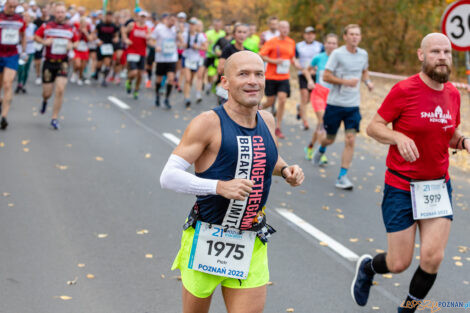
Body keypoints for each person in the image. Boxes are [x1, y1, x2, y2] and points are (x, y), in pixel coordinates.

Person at [160, 50, 304, 313]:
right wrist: (218, 187)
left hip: (251, 239)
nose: (253, 81)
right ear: (225, 83)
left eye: (258, 74)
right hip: (207, 236)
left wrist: (285, 170)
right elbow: (168, 176)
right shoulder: (208, 123)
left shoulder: (267, 119)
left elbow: (264, 158)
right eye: (243, 74)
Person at [352, 33, 467, 313]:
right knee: (399, 263)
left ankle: (407, 309)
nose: (442, 57)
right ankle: (368, 267)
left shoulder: (452, 93)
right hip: (402, 186)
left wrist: (463, 141)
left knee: (432, 257)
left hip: (437, 187)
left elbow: (447, 134)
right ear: (421, 55)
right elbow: (374, 126)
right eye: (436, 52)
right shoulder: (404, 90)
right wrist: (397, 137)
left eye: (447, 53)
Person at [312, 24, 373, 190]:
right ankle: (322, 147)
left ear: (360, 37)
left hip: (353, 106)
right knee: (330, 138)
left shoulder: (363, 54)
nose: (354, 37)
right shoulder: (338, 54)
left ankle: (342, 176)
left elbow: (364, 71)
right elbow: (326, 76)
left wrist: (367, 82)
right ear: (345, 36)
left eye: (357, 34)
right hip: (335, 104)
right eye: (351, 34)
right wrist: (346, 82)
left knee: (350, 140)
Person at [34, 2, 77, 130]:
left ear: (65, 13)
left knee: (60, 89)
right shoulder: (47, 26)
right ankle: (45, 101)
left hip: (63, 62)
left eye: (62, 12)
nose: (60, 14)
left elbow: (77, 41)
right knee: (47, 92)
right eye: (58, 12)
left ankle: (54, 118)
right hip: (49, 62)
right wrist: (44, 41)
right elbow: (36, 36)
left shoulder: (70, 28)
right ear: (54, 13)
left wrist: (72, 46)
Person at [259, 20, 300, 139]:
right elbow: (261, 55)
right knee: (270, 101)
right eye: (282, 27)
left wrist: (296, 64)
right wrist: (274, 61)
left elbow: (292, 57)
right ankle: (257, 109)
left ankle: (278, 126)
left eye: (287, 27)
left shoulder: (291, 42)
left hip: (284, 77)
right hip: (271, 76)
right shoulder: (272, 42)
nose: (285, 29)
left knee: (282, 100)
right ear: (278, 29)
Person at [304, 33, 338, 162]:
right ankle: (321, 151)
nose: (331, 45)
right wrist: (310, 81)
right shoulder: (319, 57)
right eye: (329, 42)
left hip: (332, 96)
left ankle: (310, 147)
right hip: (318, 93)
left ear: (337, 45)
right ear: (325, 44)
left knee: (321, 124)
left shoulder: (339, 60)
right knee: (323, 121)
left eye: (334, 43)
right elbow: (307, 69)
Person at [0, 0, 27, 130]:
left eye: (15, 7)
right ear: (5, 6)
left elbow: (23, 35)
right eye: (10, 6)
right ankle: (2, 100)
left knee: (7, 83)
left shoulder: (19, 19)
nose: (12, 9)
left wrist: (24, 51)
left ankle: (4, 117)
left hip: (12, 55)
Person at [150, 13, 182, 109]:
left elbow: (182, 41)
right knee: (159, 79)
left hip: (172, 58)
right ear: (167, 20)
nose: (173, 23)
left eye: (175, 21)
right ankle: (157, 96)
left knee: (171, 78)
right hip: (161, 58)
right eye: (171, 20)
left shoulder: (175, 30)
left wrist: (178, 31)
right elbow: (151, 40)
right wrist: (156, 47)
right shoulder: (159, 28)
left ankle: (167, 99)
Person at [295, 26, 323, 130]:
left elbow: (322, 58)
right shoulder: (299, 46)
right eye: (308, 33)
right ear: (304, 35)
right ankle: (304, 122)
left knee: (310, 98)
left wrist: (317, 69)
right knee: (304, 95)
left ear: (314, 35)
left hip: (315, 74)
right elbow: (295, 58)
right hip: (303, 73)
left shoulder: (320, 46)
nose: (310, 36)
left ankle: (300, 107)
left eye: (312, 34)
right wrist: (297, 65)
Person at [215, 23, 248, 105]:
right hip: (228, 88)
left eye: (244, 32)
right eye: (239, 32)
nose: (242, 35)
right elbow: (220, 69)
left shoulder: (247, 51)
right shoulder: (228, 49)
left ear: (247, 35)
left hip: (241, 88)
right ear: (234, 34)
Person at [122, 10, 150, 100]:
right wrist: (126, 39)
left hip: (142, 52)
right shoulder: (132, 25)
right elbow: (123, 31)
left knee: (140, 74)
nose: (142, 18)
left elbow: (150, 39)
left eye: (144, 17)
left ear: (146, 18)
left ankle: (136, 90)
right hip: (132, 51)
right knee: (134, 72)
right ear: (138, 17)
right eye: (141, 16)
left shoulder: (147, 28)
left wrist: (149, 39)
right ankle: (129, 81)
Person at [182, 17, 207, 107]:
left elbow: (205, 47)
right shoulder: (185, 34)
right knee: (188, 79)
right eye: (190, 24)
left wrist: (198, 47)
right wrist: (182, 45)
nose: (191, 26)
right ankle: (187, 98)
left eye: (193, 24)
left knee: (191, 80)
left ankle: (187, 93)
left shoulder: (200, 36)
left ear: (196, 26)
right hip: (186, 58)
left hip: (195, 60)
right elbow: (179, 44)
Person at [94, 11, 119, 86]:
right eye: (108, 16)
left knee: (108, 63)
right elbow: (94, 34)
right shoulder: (100, 25)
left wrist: (116, 39)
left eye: (111, 17)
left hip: (109, 46)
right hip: (101, 45)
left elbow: (116, 35)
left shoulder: (113, 26)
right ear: (105, 17)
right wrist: (97, 41)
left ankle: (104, 79)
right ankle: (97, 71)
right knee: (99, 63)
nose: (109, 18)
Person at [203, 18, 225, 94]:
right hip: (210, 55)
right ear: (213, 25)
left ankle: (216, 86)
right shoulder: (208, 33)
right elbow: (205, 44)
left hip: (220, 57)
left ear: (221, 25)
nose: (217, 26)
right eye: (216, 25)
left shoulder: (223, 33)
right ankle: (209, 84)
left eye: (219, 25)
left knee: (219, 72)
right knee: (210, 73)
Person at [15, 11, 36, 94]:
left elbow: (38, 36)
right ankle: (19, 83)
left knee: (26, 68)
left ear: (30, 18)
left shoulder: (33, 27)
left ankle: (23, 84)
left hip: (30, 50)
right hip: (21, 50)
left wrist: (33, 37)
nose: (26, 18)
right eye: (24, 16)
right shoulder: (19, 26)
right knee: (21, 67)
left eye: (27, 16)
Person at [71, 16, 91, 86]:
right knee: (78, 64)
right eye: (82, 23)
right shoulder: (76, 29)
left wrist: (85, 33)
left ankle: (80, 77)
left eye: (85, 23)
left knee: (82, 65)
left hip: (84, 48)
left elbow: (90, 39)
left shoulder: (87, 29)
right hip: (77, 48)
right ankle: (74, 72)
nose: (84, 24)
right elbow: (74, 38)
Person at [33, 6, 49, 85]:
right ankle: (38, 75)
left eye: (46, 11)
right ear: (41, 12)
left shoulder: (51, 20)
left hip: (48, 43)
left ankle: (46, 76)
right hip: (39, 42)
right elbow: (34, 32)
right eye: (43, 11)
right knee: (38, 61)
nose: (45, 12)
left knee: (46, 61)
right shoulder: (37, 21)